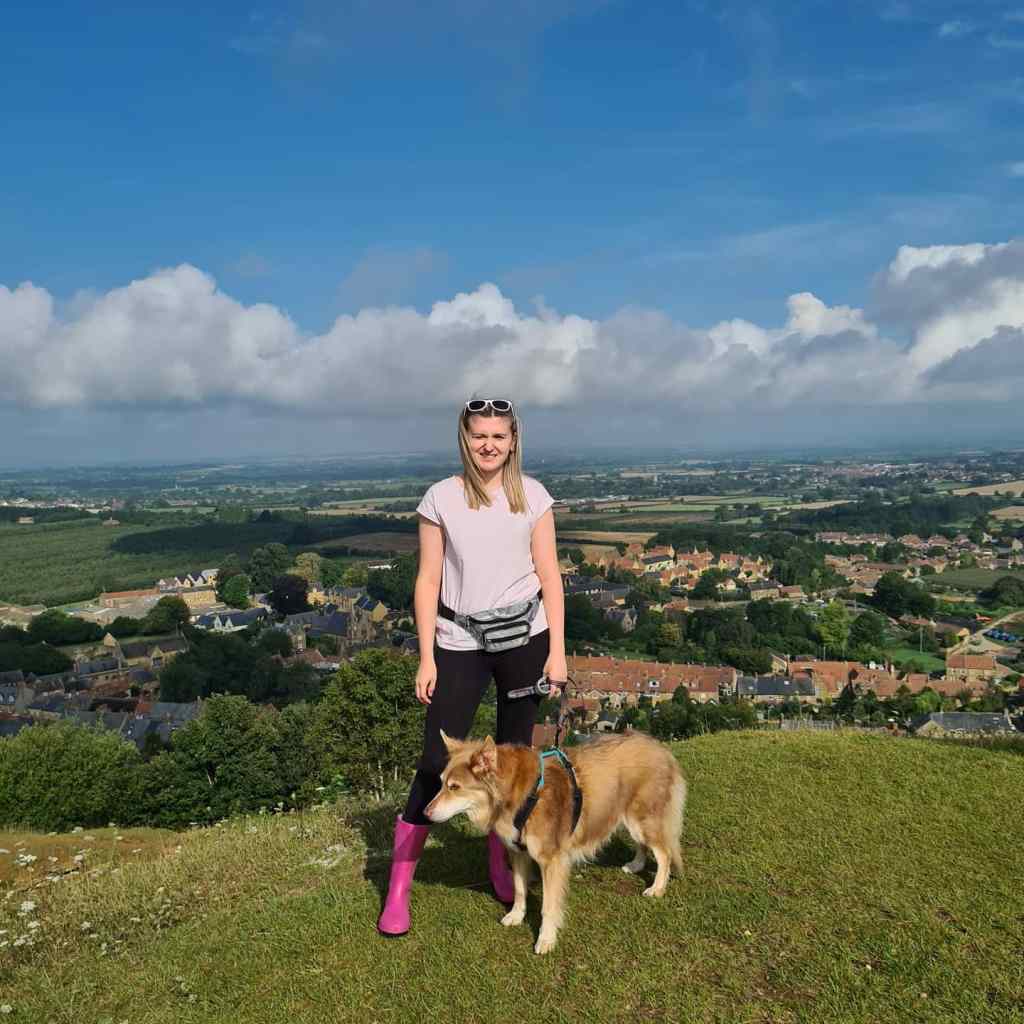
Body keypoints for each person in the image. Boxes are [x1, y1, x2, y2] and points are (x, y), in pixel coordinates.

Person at [377, 398, 567, 937]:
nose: (489, 445)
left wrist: (557, 651)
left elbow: (550, 576)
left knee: (515, 761)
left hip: (525, 639)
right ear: (465, 438)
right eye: (480, 435)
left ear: (513, 440)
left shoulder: (534, 496)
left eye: (499, 436)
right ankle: (398, 888)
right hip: (458, 639)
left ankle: (501, 862)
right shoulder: (440, 498)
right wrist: (426, 656)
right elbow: (427, 580)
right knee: (433, 760)